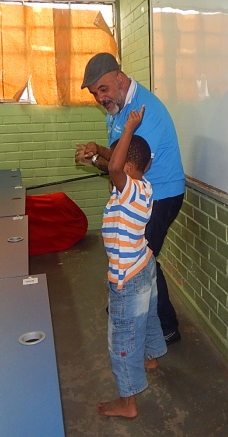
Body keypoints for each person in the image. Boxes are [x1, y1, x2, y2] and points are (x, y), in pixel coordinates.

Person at [75, 52, 185, 344]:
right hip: (141, 194)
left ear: (120, 79)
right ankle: (130, 306)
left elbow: (127, 169)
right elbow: (119, 154)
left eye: (103, 89)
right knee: (138, 257)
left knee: (142, 259)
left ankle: (165, 326)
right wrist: (98, 150)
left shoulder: (144, 111)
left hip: (161, 194)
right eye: (94, 93)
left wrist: (97, 160)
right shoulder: (117, 106)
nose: (100, 98)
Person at [97, 105, 167, 418]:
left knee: (123, 336)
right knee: (148, 317)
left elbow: (114, 168)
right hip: (144, 265)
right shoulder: (142, 186)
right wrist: (95, 155)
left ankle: (128, 403)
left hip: (127, 276)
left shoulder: (127, 189)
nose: (109, 166)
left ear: (126, 166)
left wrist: (128, 129)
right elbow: (114, 164)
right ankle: (151, 357)